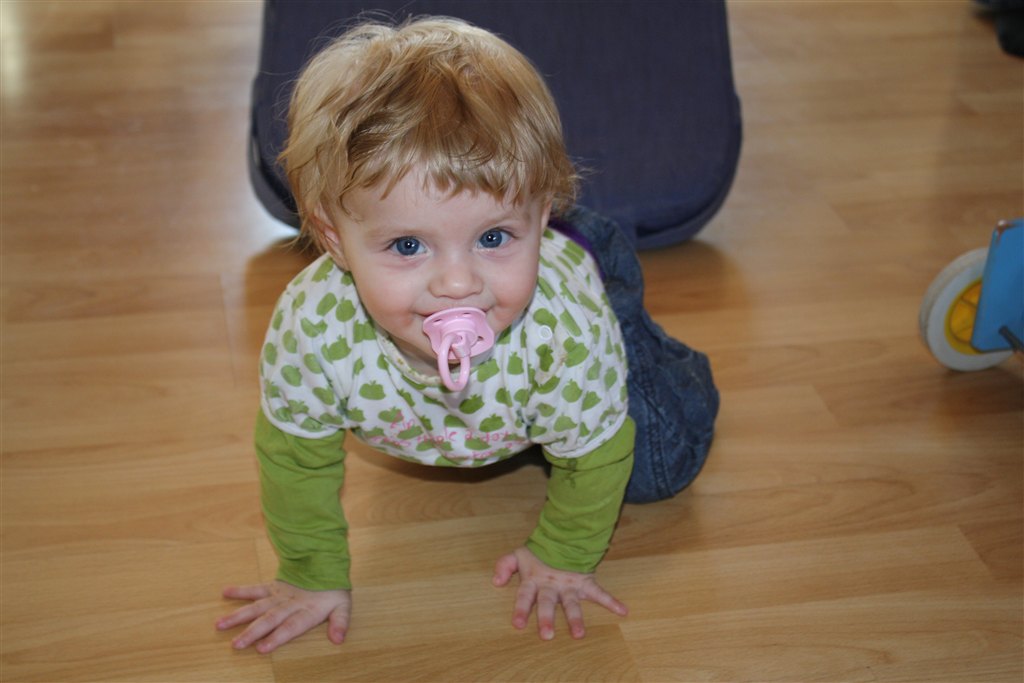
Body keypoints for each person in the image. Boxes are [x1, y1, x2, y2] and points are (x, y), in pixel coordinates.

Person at [217, 16, 718, 653]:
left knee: (656, 466)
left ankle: (589, 258)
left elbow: (597, 457)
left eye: (493, 236)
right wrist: (310, 574)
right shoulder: (312, 328)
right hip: (518, 340)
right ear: (335, 240)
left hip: (583, 282)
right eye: (408, 245)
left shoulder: (564, 331)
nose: (458, 284)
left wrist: (563, 556)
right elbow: (295, 458)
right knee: (549, 426)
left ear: (541, 216)